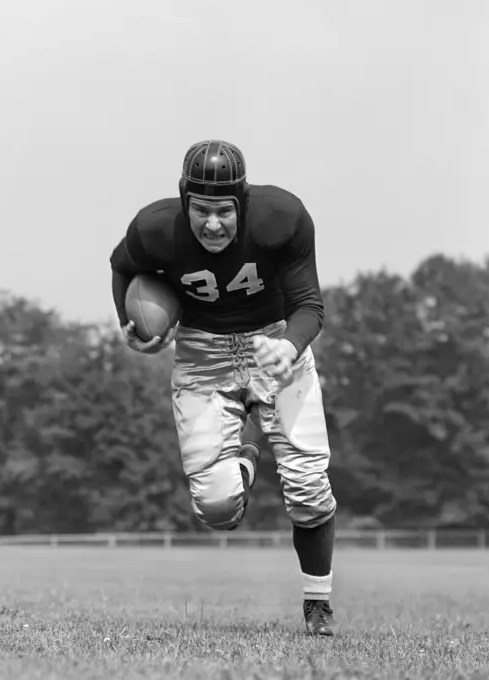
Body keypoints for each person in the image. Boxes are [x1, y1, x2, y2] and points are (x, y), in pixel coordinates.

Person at [110, 140, 338, 636]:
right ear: (184, 201)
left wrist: (291, 346)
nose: (213, 225)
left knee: (307, 483)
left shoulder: (283, 218)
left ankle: (318, 604)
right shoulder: (154, 229)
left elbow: (309, 305)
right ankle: (246, 456)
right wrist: (135, 329)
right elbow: (123, 265)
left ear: (245, 205)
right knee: (215, 509)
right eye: (202, 211)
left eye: (224, 212)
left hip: (274, 340)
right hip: (201, 353)